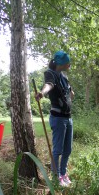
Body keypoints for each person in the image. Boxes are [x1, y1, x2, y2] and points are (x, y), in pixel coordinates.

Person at [35, 50, 74, 187]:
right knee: (58, 149)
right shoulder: (50, 73)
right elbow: (49, 85)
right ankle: (55, 176)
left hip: (68, 118)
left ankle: (63, 174)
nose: (70, 64)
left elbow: (69, 92)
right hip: (58, 118)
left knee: (68, 149)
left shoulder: (63, 76)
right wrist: (42, 93)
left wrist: (70, 93)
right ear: (62, 63)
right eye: (68, 62)